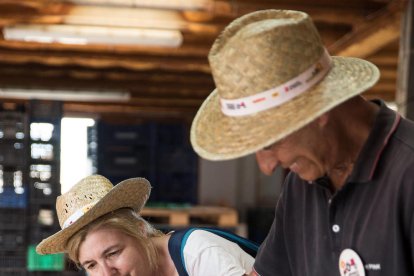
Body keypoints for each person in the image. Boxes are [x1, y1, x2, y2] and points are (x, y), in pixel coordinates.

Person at [190, 9, 414, 276]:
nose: (267, 167)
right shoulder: (302, 185)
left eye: (269, 143)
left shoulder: (407, 173)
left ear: (317, 109)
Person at [36, 175, 255, 276]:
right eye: (91, 265)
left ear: (140, 230)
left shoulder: (196, 253)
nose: (107, 273)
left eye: (113, 253)